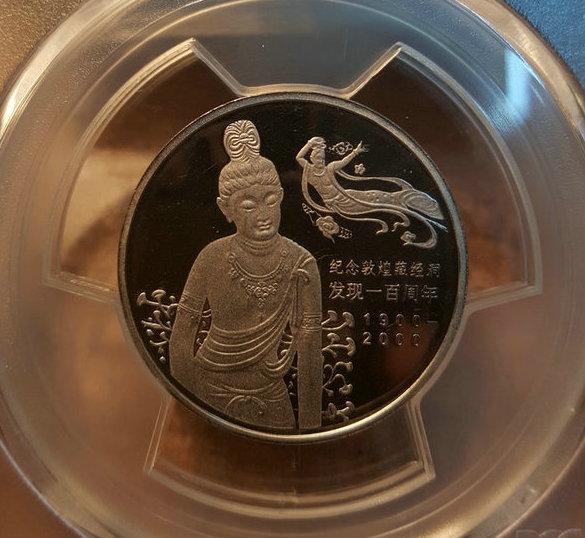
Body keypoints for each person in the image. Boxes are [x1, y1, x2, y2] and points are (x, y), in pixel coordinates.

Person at [169, 119, 323, 432]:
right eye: (249, 206)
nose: (264, 215)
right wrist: (187, 410)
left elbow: (309, 351)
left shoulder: (302, 263)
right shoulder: (211, 257)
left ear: (282, 196)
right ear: (225, 209)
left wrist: (311, 430)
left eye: (270, 201)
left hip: (272, 394)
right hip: (208, 389)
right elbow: (182, 337)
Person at [296, 135, 444, 242]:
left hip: (346, 195)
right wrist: (309, 144)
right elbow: (299, 158)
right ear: (312, 159)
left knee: (375, 195)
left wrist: (355, 152)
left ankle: (412, 202)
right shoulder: (309, 171)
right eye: (318, 158)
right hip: (337, 204)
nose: (320, 161)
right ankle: (418, 216)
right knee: (375, 205)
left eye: (322, 159)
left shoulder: (329, 168)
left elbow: (343, 161)